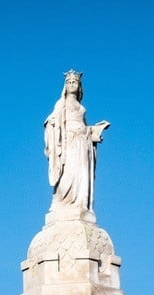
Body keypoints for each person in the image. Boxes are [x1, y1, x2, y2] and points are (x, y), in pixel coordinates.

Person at [44, 70, 109, 217]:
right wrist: (53, 125)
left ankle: (80, 203)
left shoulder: (80, 106)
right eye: (69, 82)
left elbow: (83, 124)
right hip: (70, 143)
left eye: (74, 82)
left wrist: (94, 131)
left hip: (83, 143)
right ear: (65, 86)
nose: (72, 84)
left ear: (79, 85)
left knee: (81, 175)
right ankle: (63, 202)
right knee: (69, 174)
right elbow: (51, 121)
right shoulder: (62, 103)